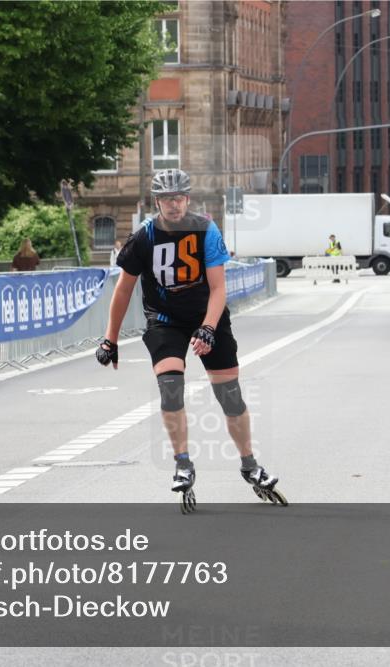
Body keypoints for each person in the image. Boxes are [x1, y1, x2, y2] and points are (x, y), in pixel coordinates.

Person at [94, 168, 282, 503]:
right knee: (170, 386)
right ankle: (182, 463)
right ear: (157, 202)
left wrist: (208, 328)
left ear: (188, 199)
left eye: (178, 197)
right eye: (166, 199)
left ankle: (249, 464)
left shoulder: (205, 230)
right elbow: (123, 291)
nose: (173, 204)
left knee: (229, 395)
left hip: (207, 315)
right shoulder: (144, 236)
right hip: (165, 320)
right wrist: (109, 339)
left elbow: (219, 288)